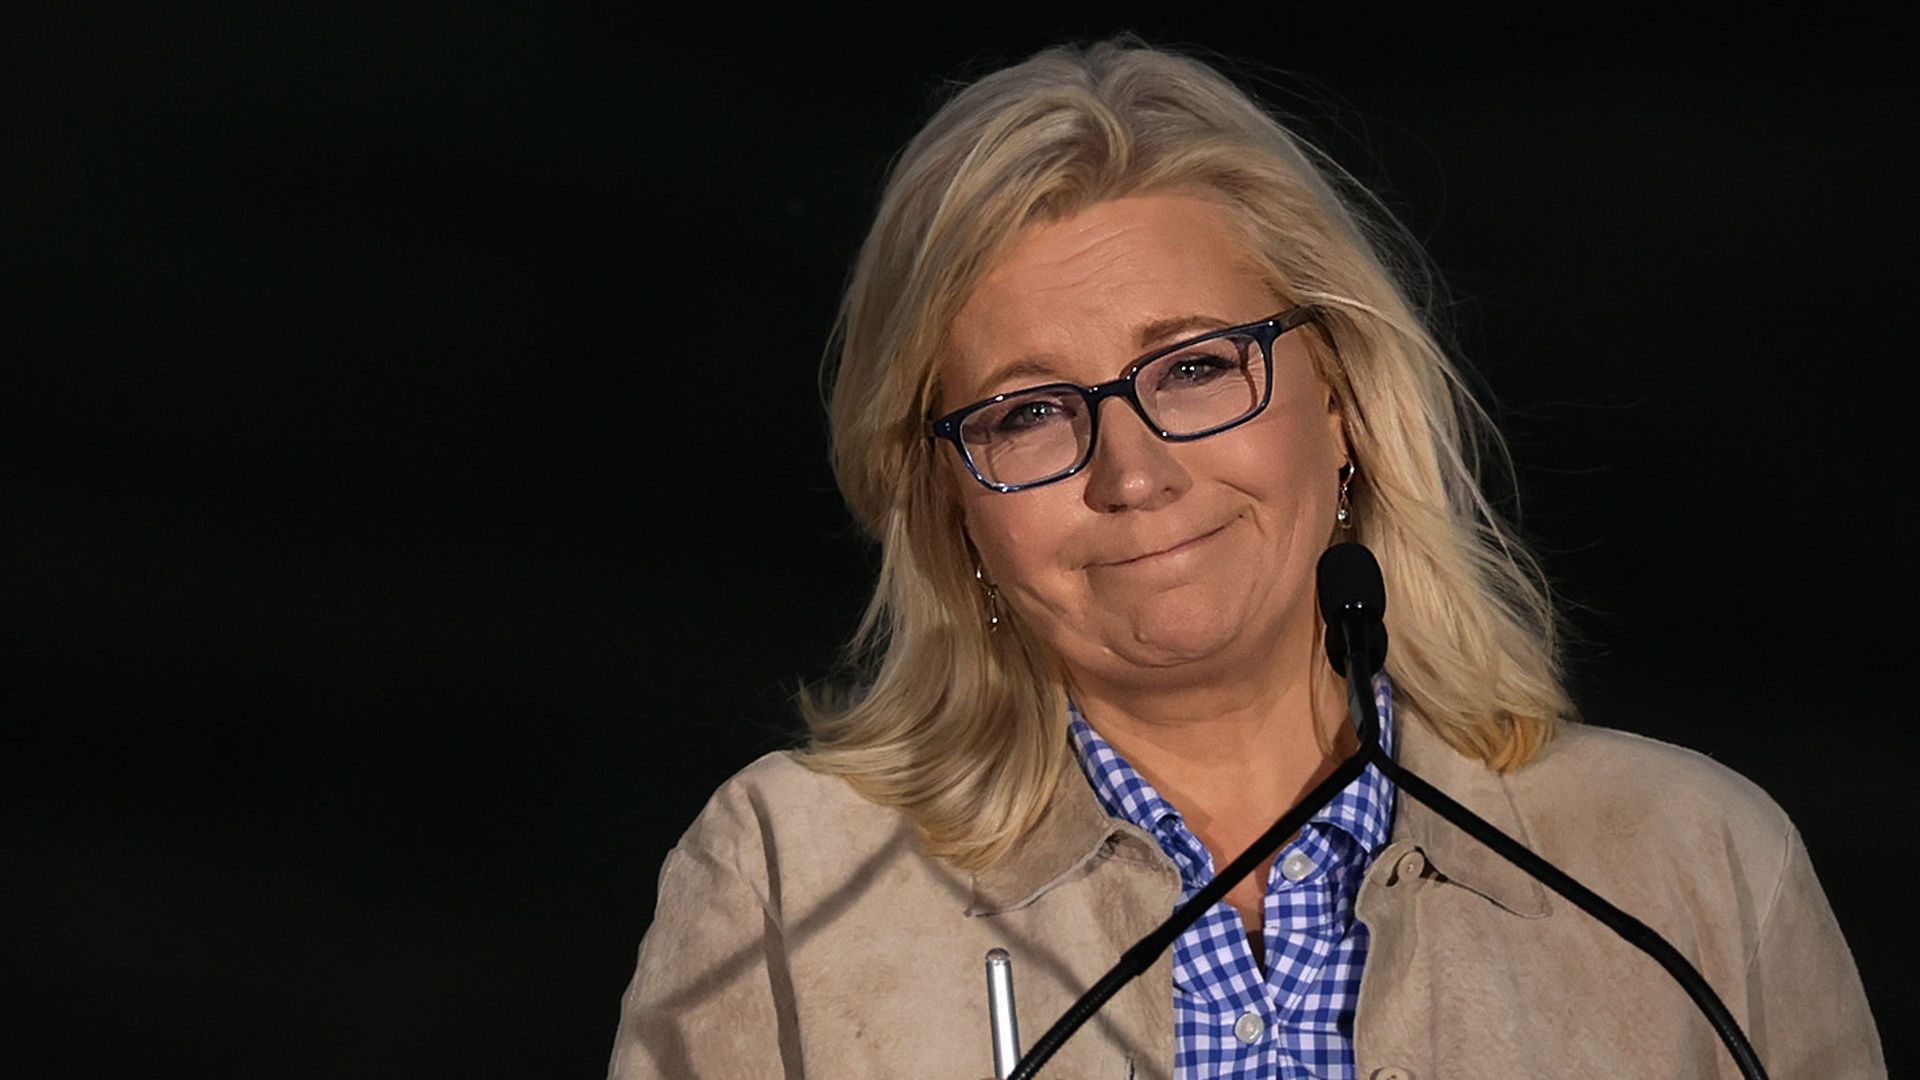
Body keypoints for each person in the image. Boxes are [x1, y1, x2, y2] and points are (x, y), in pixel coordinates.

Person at [606, 40, 1884, 1079]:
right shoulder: (791, 879)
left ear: (1343, 403)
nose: (1134, 473)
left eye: (1197, 368)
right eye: (1030, 410)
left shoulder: (1691, 868)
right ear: (949, 503)